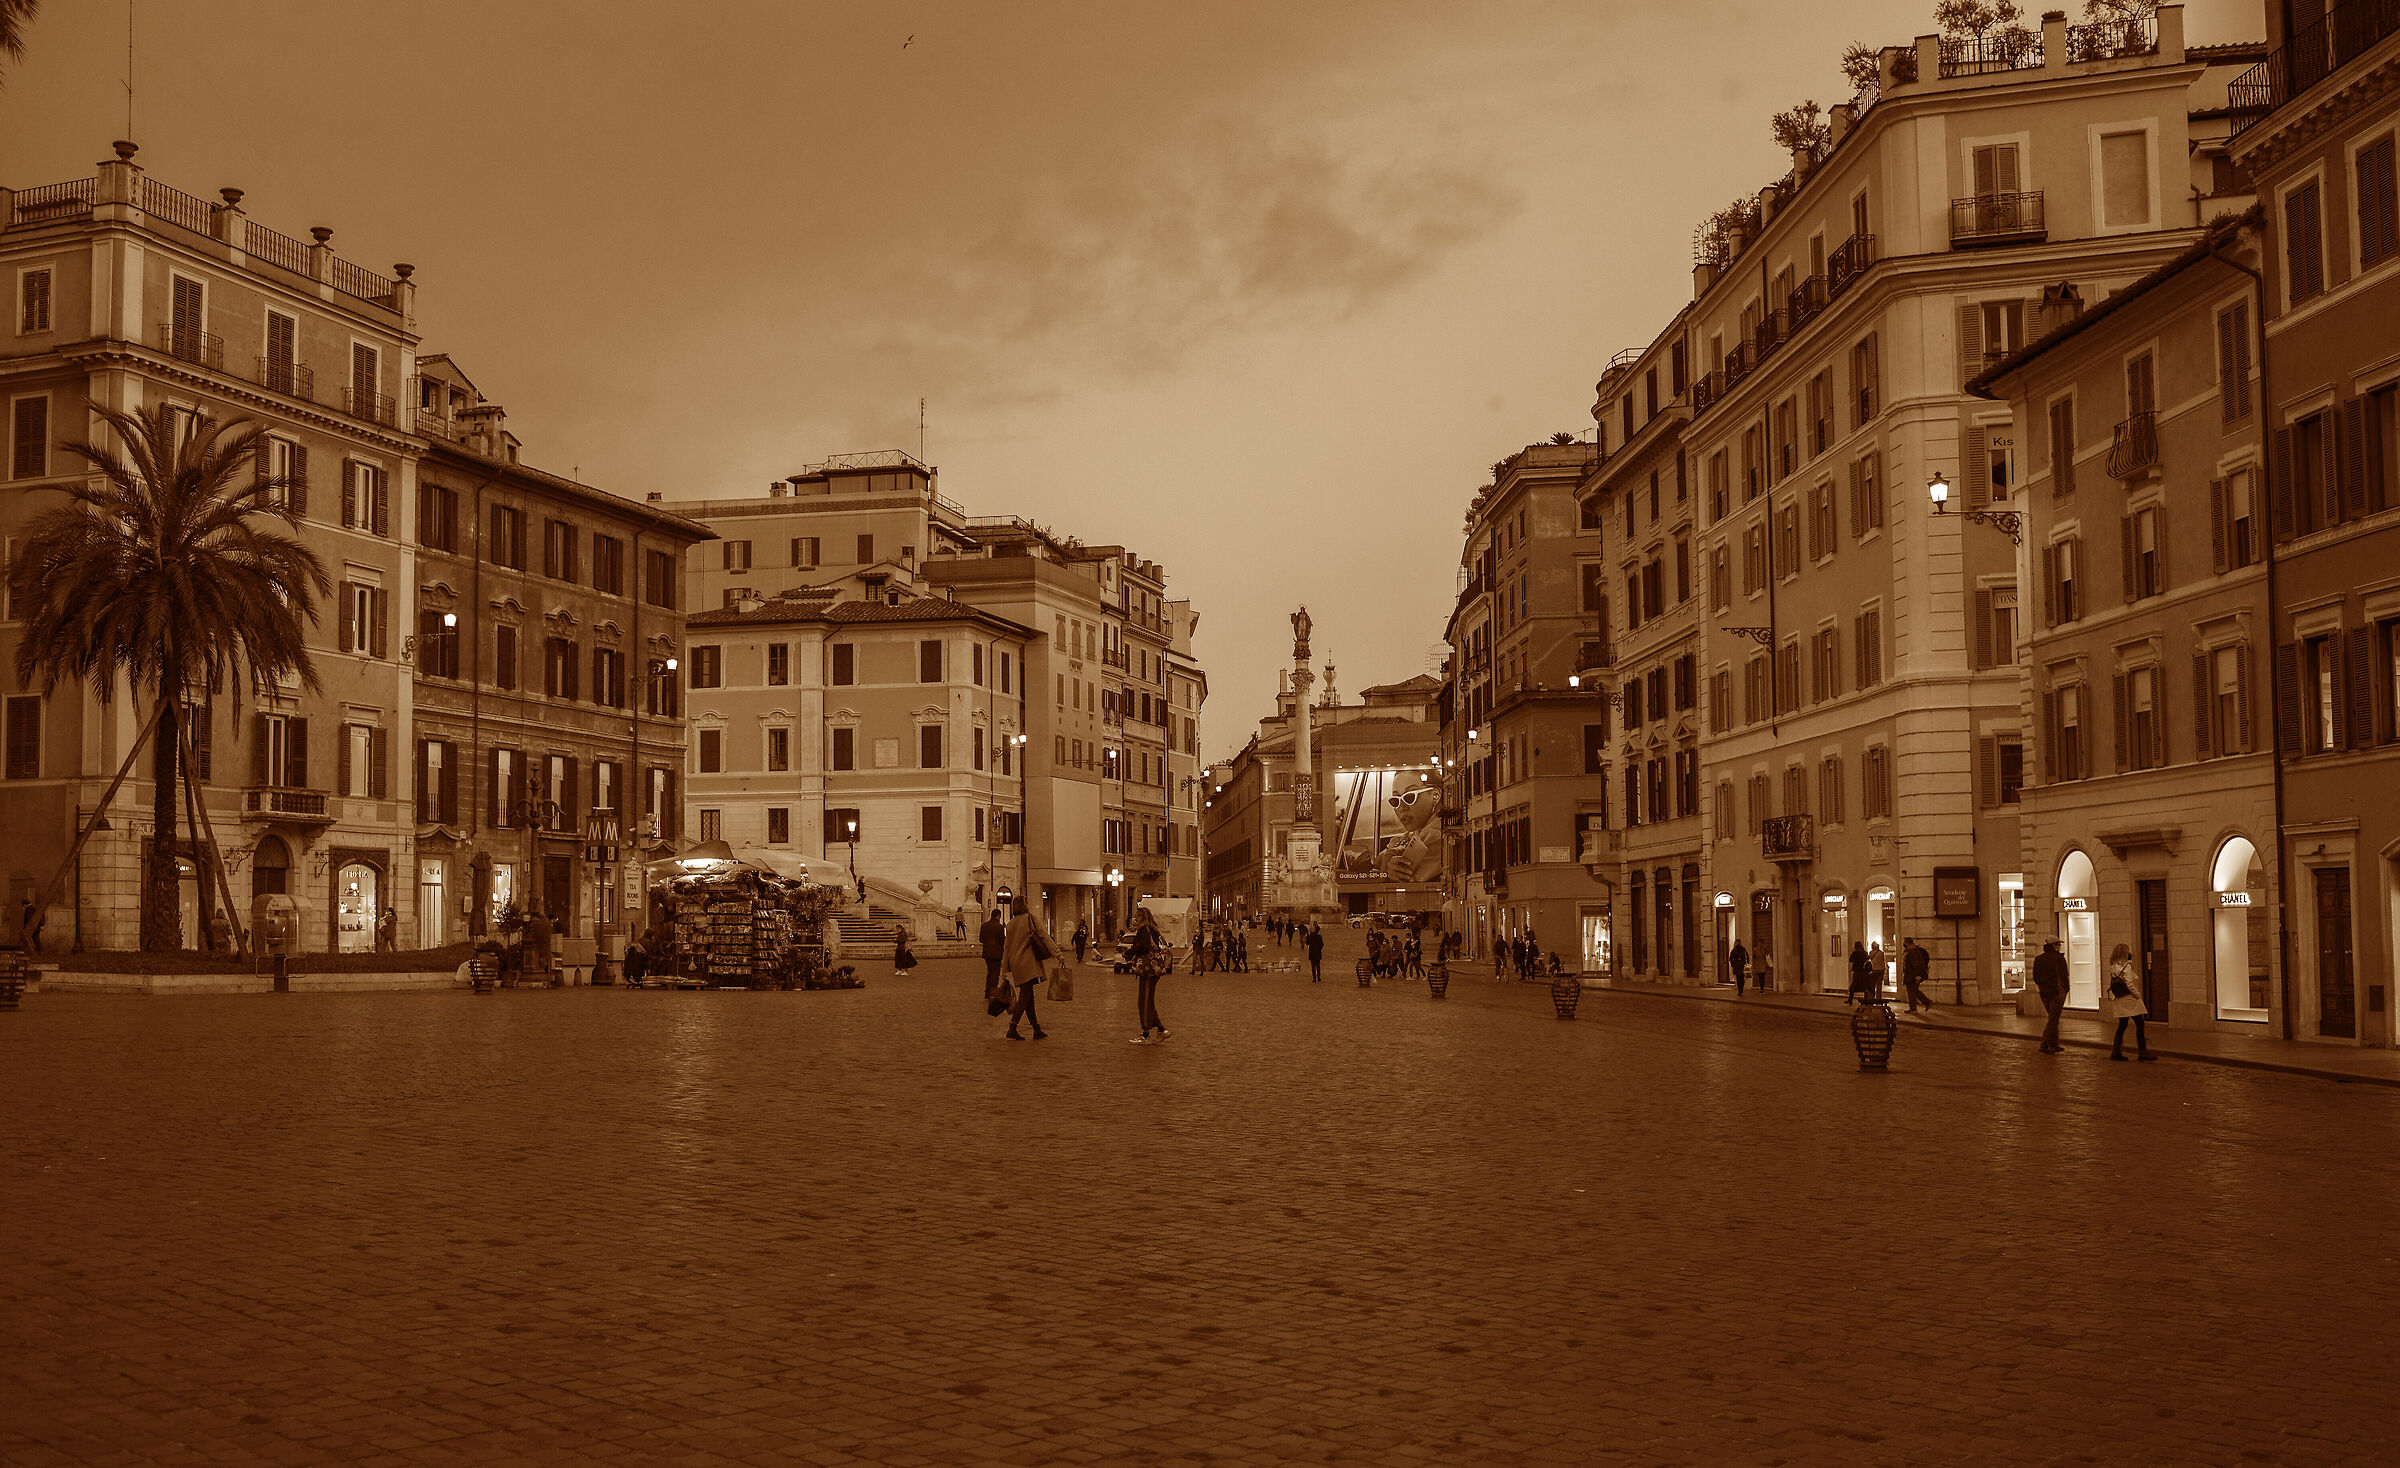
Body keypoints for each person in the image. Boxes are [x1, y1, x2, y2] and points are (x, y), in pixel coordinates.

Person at [999, 892, 1054, 1040]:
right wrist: (1058, 954)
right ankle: (1012, 1027)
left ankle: (1036, 1029)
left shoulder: (1010, 924)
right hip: (1029, 963)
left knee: (1029, 997)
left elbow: (1007, 948)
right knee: (1025, 997)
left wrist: (1003, 970)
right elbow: (1044, 936)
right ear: (1025, 905)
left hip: (1016, 964)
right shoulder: (1031, 919)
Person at [1127, 907, 1172, 1043]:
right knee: (1147, 1001)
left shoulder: (1144, 930)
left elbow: (1144, 947)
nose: (1135, 919)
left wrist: (1131, 952)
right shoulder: (1154, 929)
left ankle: (1146, 1034)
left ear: (1141, 917)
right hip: (1154, 969)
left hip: (1148, 970)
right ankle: (1161, 1029)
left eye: (1137, 916)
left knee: (1144, 1001)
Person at [2104, 942, 2153, 1060]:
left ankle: (2116, 1051)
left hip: (2120, 999)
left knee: (2122, 1025)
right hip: (2130, 999)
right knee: (2140, 1024)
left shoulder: (2114, 965)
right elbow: (2129, 984)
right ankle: (2142, 1052)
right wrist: (2138, 995)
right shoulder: (2126, 966)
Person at [2031, 939, 2070, 1053]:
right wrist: (2066, 988)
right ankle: (2045, 1043)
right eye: (2058, 944)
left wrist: (2041, 986)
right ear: (2053, 945)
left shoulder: (2038, 959)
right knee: (2053, 1019)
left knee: (2053, 1018)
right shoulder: (2059, 959)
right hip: (2057, 992)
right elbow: (2063, 975)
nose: (2059, 947)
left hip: (2044, 992)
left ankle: (2054, 1043)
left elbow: (2035, 976)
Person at [979, 907, 1008, 1004]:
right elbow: (1002, 941)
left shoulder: (984, 926)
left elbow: (981, 939)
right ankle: (993, 994)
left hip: (987, 953)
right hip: (996, 954)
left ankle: (987, 993)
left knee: (989, 972)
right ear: (998, 916)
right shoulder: (999, 927)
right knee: (995, 975)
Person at [1901, 937, 1934, 1013]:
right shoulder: (1909, 950)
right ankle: (1927, 1002)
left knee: (1911, 991)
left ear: (1907, 943)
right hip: (1910, 974)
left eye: (1904, 942)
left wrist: (1917, 975)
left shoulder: (1913, 951)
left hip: (1912, 975)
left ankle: (1913, 1008)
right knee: (1914, 991)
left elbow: (1916, 964)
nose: (1903, 944)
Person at [1845, 941, 1873, 1006]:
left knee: (1853, 986)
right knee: (1864, 986)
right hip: (1864, 972)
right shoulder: (1864, 953)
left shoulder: (1855, 953)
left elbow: (1850, 960)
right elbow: (1867, 959)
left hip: (1857, 972)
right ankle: (1865, 1000)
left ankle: (1850, 1000)